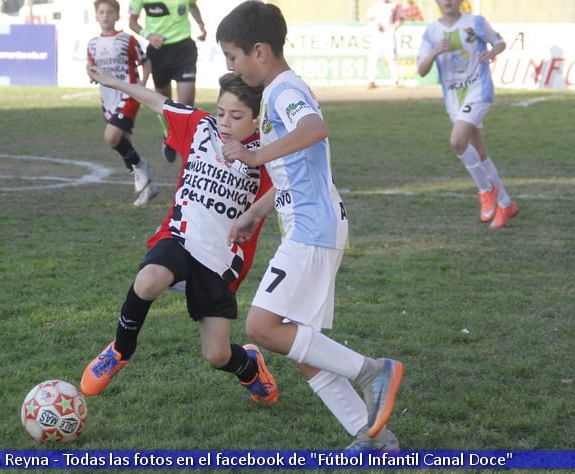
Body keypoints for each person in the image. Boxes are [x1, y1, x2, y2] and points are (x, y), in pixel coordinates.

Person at [216, 1, 404, 451]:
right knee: (299, 343)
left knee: (263, 328)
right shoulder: (282, 88)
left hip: (312, 229)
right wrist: (257, 211)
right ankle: (372, 435)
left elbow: (315, 129)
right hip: (311, 224)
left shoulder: (283, 89)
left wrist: (256, 154)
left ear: (259, 51)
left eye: (233, 57)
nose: (233, 68)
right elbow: (298, 170)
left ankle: (372, 371)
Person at [80, 67, 278, 408]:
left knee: (216, 355)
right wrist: (115, 83)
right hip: (181, 237)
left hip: (221, 259)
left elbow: (292, 184)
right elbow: (159, 102)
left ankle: (249, 367)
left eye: (236, 116)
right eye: (221, 112)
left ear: (257, 121)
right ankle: (120, 350)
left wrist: (254, 212)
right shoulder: (202, 126)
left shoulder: (267, 153)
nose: (225, 122)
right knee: (148, 280)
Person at [417, 0, 517, 229]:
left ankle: (486, 190)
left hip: (478, 90)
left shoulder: (476, 22)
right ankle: (506, 204)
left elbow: (500, 42)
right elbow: (422, 70)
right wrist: (434, 52)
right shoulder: (432, 32)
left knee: (457, 141)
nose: (448, 1)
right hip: (454, 98)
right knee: (479, 152)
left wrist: (492, 52)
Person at [88, 0, 158, 207]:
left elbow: (145, 63)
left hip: (128, 93)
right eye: (102, 12)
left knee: (111, 137)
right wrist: (91, 73)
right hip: (107, 98)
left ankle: (141, 167)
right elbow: (90, 66)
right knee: (123, 142)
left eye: (110, 12)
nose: (106, 16)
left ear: (117, 16)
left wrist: (142, 86)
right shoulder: (92, 43)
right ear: (96, 16)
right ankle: (148, 187)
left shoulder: (127, 40)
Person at [128, 0, 206, 163]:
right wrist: (149, 35)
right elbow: (132, 22)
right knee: (164, 102)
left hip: (184, 49)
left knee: (185, 108)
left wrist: (200, 24)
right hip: (158, 52)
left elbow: (192, 5)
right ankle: (167, 133)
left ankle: (189, 155)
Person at [365, 0, 404, 89]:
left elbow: (401, 18)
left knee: (391, 58)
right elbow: (368, 17)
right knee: (374, 57)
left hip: (389, 35)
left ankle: (396, 81)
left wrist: (395, 26)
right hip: (377, 35)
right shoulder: (376, 5)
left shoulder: (394, 6)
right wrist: (375, 25)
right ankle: (371, 81)